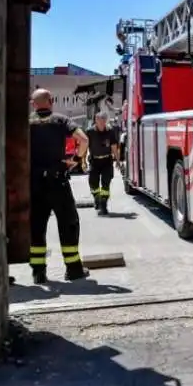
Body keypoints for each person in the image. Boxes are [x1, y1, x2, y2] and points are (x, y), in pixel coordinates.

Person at [29, 88, 90, 283]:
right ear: (51, 100)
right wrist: (76, 159)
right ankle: (73, 269)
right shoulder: (60, 120)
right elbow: (83, 139)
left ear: (34, 104)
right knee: (68, 223)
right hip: (58, 180)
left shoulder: (27, 123)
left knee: (37, 226)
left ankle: (38, 273)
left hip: (35, 182)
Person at [86, 111, 119, 215]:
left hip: (107, 161)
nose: (101, 123)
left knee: (106, 183)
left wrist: (117, 160)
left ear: (105, 121)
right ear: (96, 121)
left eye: (103, 121)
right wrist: (82, 161)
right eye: (99, 121)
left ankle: (103, 204)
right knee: (93, 182)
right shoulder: (90, 131)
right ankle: (97, 198)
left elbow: (114, 146)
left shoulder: (110, 131)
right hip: (94, 161)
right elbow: (85, 146)